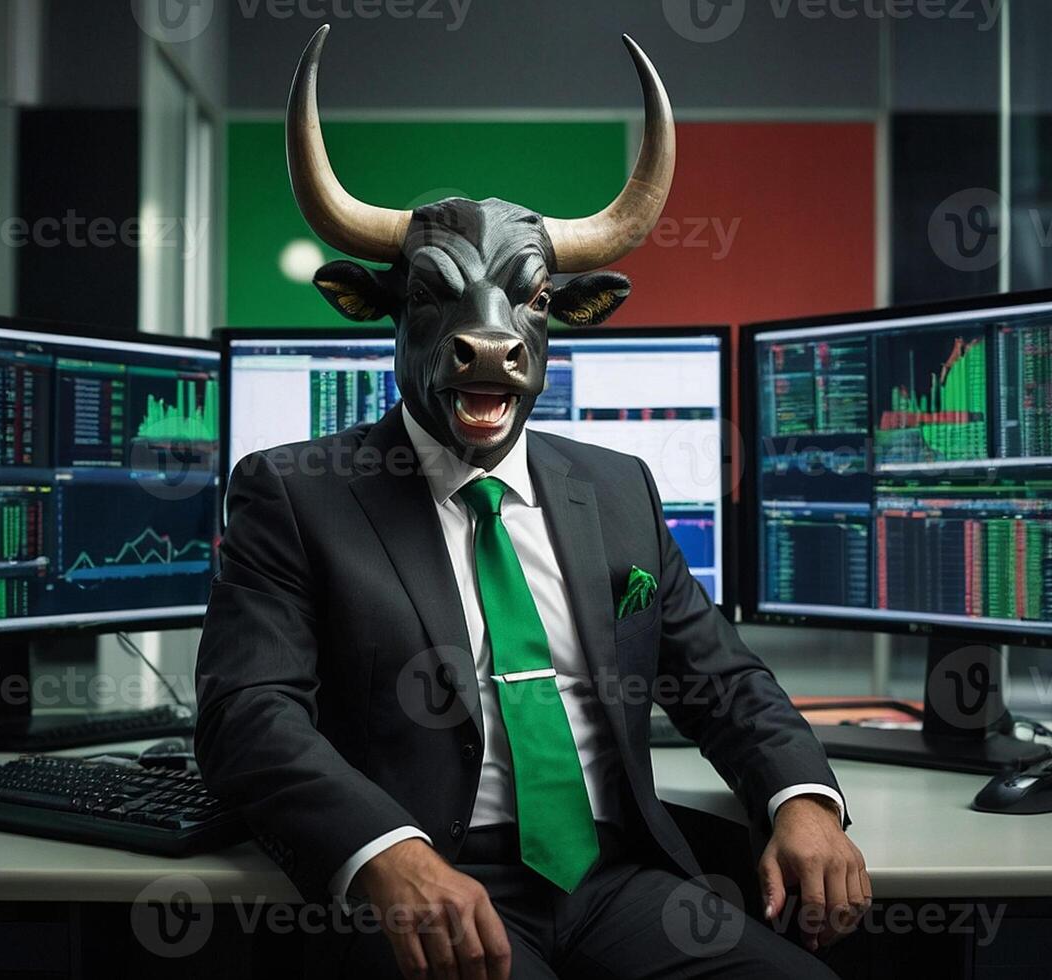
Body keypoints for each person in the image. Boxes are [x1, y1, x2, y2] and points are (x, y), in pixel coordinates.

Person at [195, 25, 869, 979]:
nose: (488, 336)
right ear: (384, 312)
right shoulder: (293, 494)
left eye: (531, 302)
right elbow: (248, 715)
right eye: (438, 301)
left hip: (618, 881)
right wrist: (386, 852)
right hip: (439, 884)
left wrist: (800, 797)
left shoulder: (615, 488)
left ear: (558, 322)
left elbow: (723, 681)